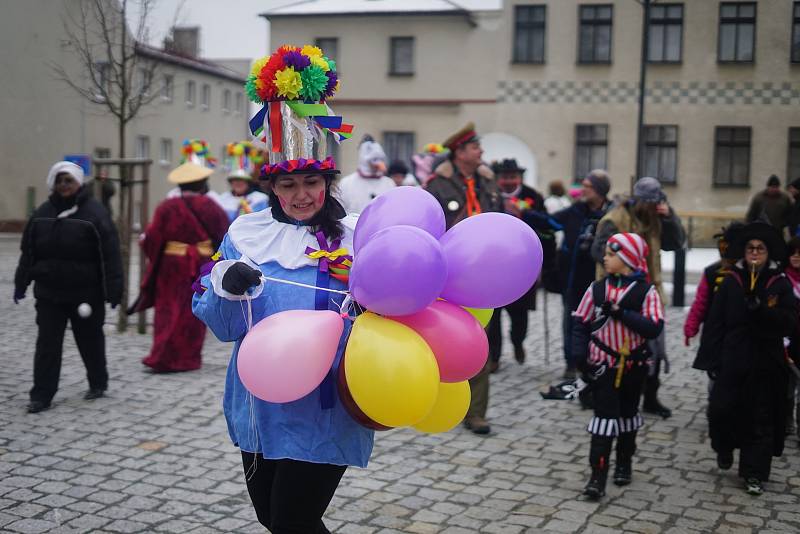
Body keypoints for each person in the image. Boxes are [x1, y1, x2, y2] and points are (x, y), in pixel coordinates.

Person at [192, 155, 373, 533]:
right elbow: (224, 329)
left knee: (294, 520)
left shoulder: (361, 238)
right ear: (272, 188)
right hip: (260, 405)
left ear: (327, 183)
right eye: (288, 185)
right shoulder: (246, 235)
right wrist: (224, 285)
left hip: (326, 406)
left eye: (311, 182)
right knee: (271, 517)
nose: (301, 195)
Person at [14, 161, 122, 413]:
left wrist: (113, 289)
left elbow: (110, 255)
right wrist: (21, 282)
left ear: (78, 182)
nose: (64, 185)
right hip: (50, 293)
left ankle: (98, 382)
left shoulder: (95, 215)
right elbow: (27, 253)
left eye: (69, 180)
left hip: (86, 293)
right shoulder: (41, 214)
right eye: (60, 181)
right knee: (47, 345)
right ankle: (41, 394)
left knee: (90, 340)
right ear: (53, 183)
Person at [701, 222, 796, 495]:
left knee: (760, 418)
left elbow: (789, 322)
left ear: (768, 253)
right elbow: (715, 321)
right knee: (721, 411)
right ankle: (724, 445)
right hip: (733, 357)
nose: (755, 253)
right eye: (751, 248)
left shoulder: (779, 284)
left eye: (760, 249)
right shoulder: (732, 280)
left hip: (765, 361)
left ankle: (754, 473)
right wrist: (712, 360)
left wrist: (762, 312)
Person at [572, 233, 664, 500]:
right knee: (603, 417)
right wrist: (579, 357)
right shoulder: (596, 289)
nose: (605, 258)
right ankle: (597, 475)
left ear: (627, 260)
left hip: (633, 365)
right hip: (602, 365)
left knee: (627, 414)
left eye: (612, 255)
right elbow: (580, 322)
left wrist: (623, 313)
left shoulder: (647, 292)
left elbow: (654, 327)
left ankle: (624, 462)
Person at [426, 122, 503, 435]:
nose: (481, 152)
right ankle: (438, 400)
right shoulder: (438, 185)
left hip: (485, 272)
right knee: (446, 337)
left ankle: (476, 412)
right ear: (459, 152)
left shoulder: (488, 182)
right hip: (450, 272)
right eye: (475, 147)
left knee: (480, 339)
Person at [592, 176, 685, 419]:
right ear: (640, 201)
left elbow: (676, 243)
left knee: (654, 349)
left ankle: (650, 397)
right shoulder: (614, 219)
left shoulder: (656, 218)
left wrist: (670, 217)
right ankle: (602, 392)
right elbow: (598, 251)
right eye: (652, 203)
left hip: (650, 292)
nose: (655, 207)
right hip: (618, 292)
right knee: (612, 346)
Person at [132, 162, 229, 372]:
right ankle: (188, 358)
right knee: (192, 312)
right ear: (203, 184)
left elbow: (152, 238)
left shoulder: (166, 207)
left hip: (171, 268)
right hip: (201, 266)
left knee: (167, 310)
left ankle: (163, 356)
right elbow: (223, 235)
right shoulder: (212, 207)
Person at [486, 158, 551, 371]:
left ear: (520, 178)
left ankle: (518, 341)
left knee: (519, 314)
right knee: (493, 315)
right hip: (493, 267)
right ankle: (494, 356)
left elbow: (546, 226)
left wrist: (525, 215)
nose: (508, 181)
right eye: (504, 177)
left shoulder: (532, 196)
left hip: (522, 265)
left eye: (512, 177)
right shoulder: (489, 195)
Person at [552, 170, 611, 380]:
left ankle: (596, 360)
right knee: (571, 322)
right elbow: (552, 222)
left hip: (600, 281)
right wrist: (525, 215)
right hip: (574, 279)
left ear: (600, 190)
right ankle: (572, 363)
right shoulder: (577, 210)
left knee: (598, 322)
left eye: (587, 186)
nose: (582, 189)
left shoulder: (611, 215)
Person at [685, 223, 743, 350]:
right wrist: (691, 326)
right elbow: (701, 301)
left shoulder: (749, 271)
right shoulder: (712, 272)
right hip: (716, 329)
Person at [337, 135, 395, 213]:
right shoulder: (346, 183)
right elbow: (338, 212)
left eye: (380, 159)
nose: (377, 164)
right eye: (373, 159)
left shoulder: (389, 183)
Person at [218, 142, 269, 222]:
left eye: (241, 180)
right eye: (235, 180)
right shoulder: (223, 198)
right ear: (231, 183)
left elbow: (264, 220)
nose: (238, 183)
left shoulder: (260, 198)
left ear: (248, 182)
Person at [782, 237, 800, 439]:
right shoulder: (782, 279)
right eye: (792, 253)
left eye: (799, 253)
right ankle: (786, 421)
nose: (796, 257)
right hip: (787, 339)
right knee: (787, 386)